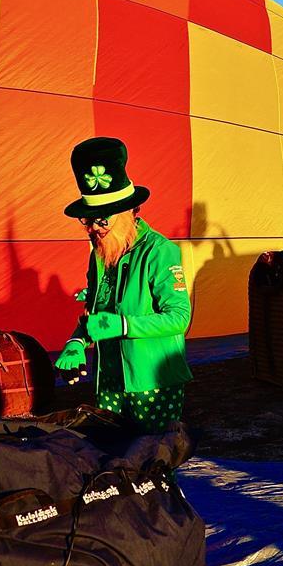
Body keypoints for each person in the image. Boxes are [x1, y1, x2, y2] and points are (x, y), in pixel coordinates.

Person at [55, 137, 193, 435]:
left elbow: (180, 317)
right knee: (113, 459)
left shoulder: (159, 251)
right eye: (87, 221)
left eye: (101, 221)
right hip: (109, 380)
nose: (93, 229)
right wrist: (78, 341)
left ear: (130, 212)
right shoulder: (100, 254)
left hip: (152, 383)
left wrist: (124, 325)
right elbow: (96, 311)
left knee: (151, 461)